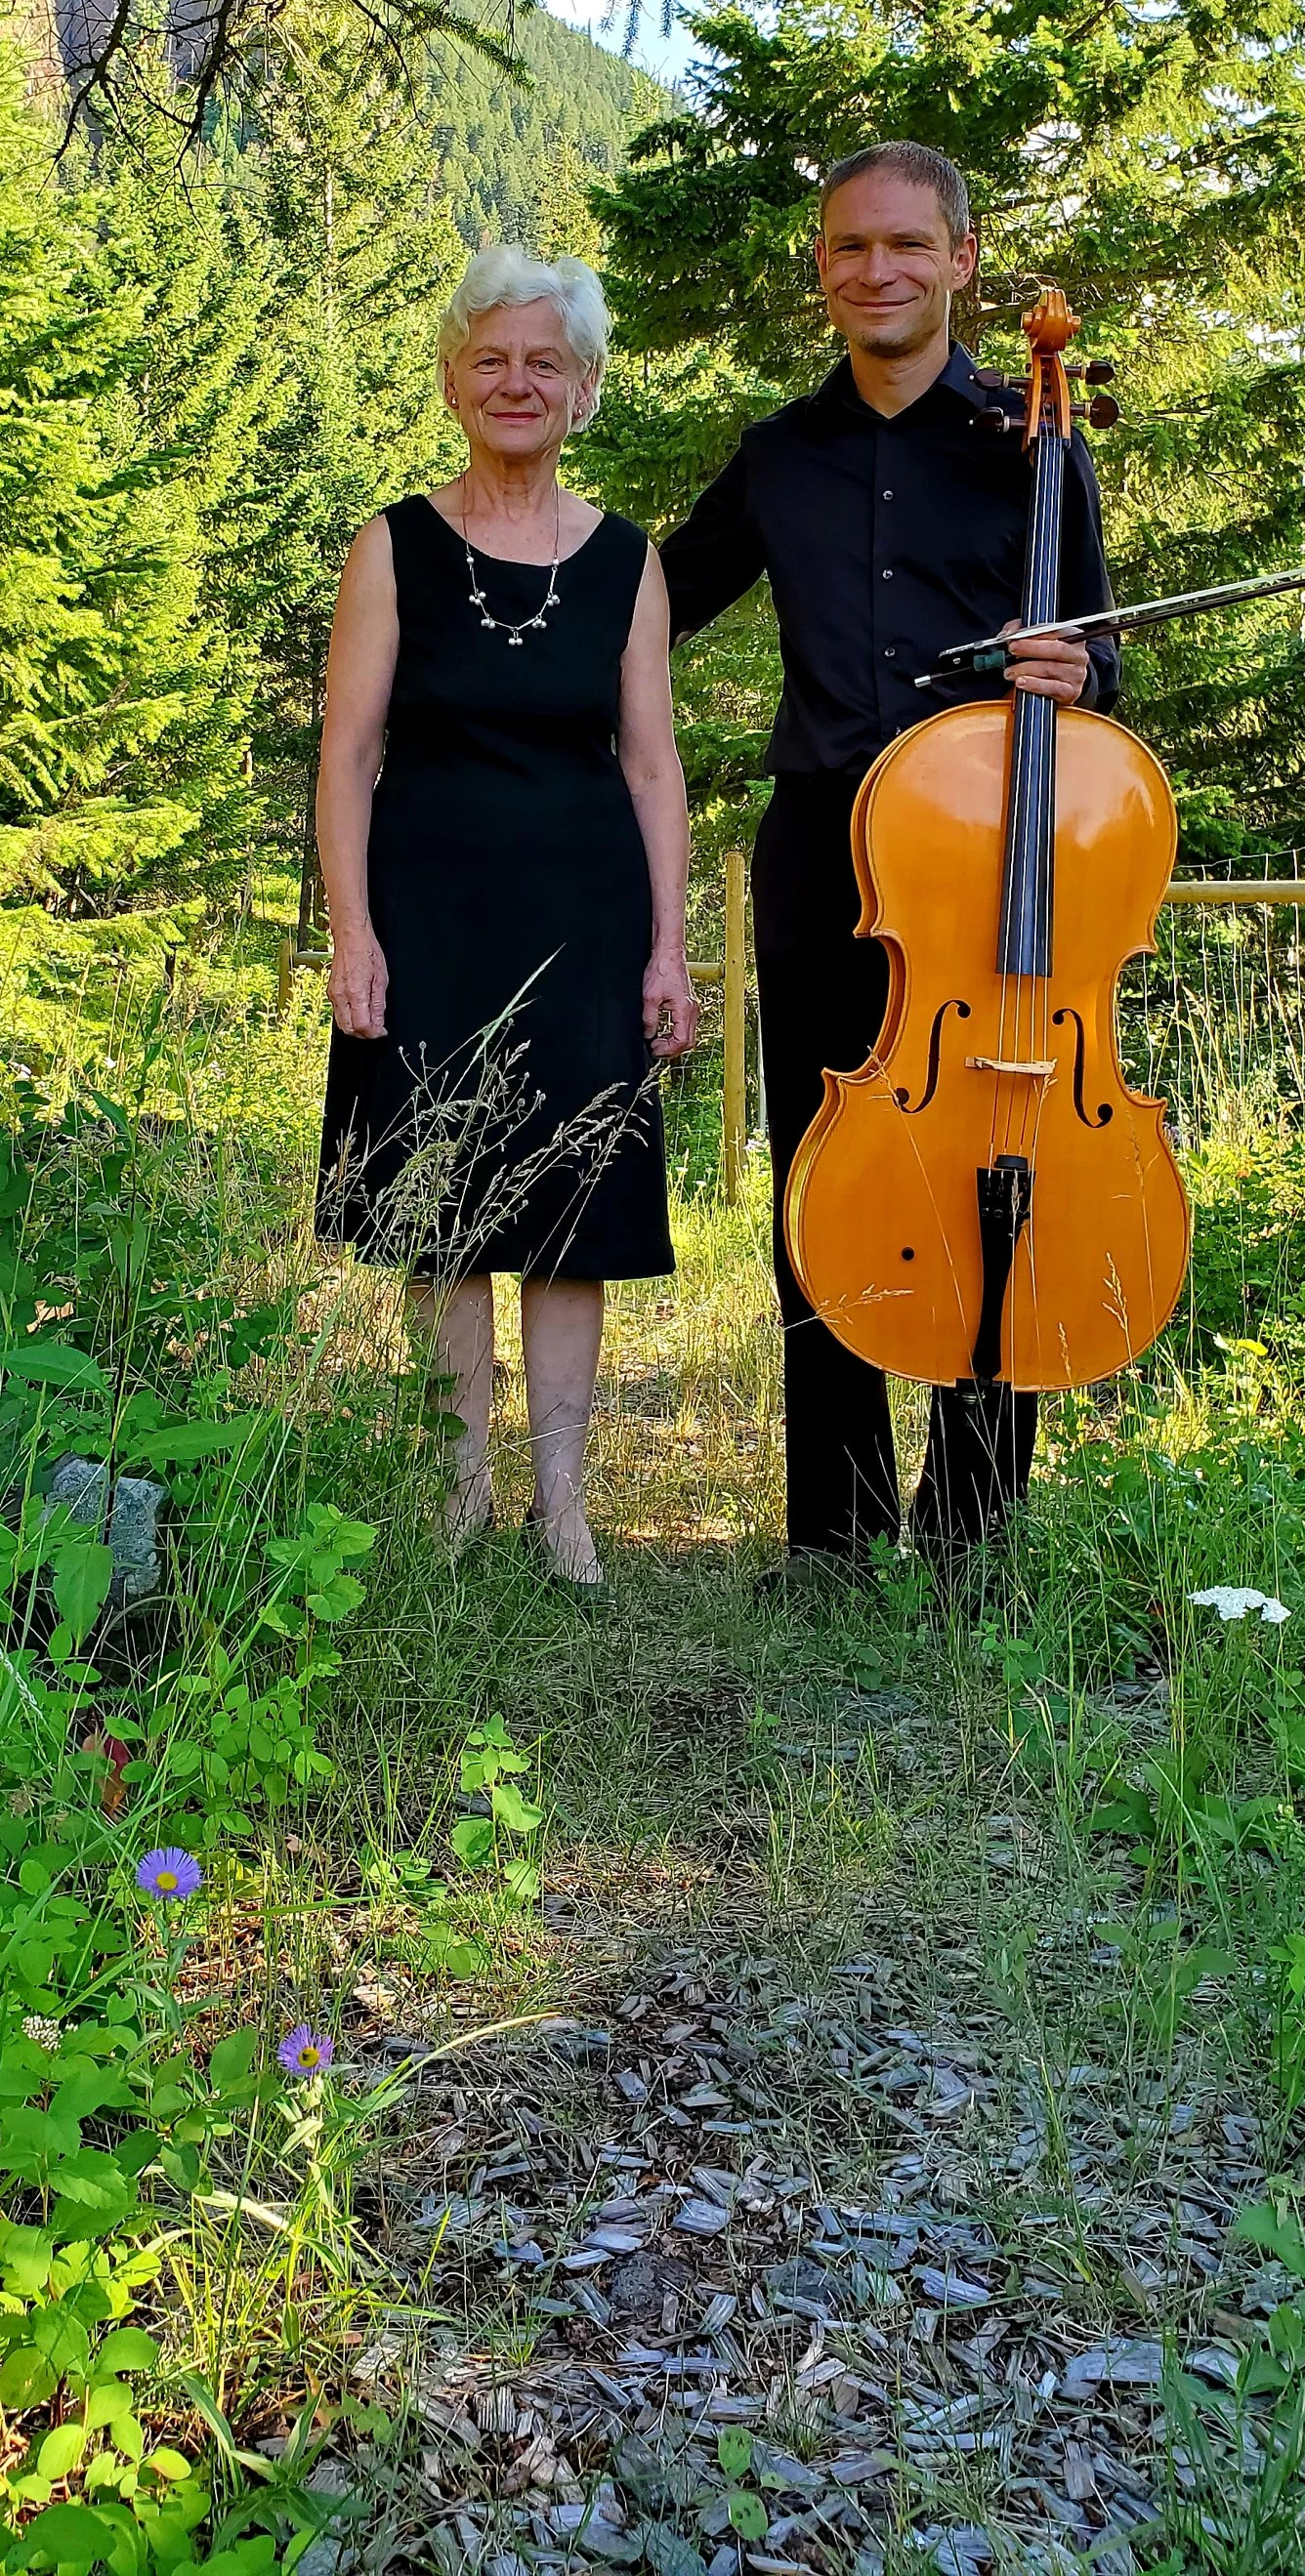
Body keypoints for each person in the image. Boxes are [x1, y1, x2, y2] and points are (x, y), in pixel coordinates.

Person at [660, 144, 1116, 1572]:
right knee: (826, 1170)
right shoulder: (779, 456)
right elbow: (658, 600)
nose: (878, 272)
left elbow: (1099, 654)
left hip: (990, 852)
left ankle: (978, 1519)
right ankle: (835, 1530)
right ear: (822, 271)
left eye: (908, 247)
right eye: (851, 249)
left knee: (1003, 1166)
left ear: (962, 259)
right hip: (819, 853)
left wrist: (1077, 673)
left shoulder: (1037, 443)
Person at [316, 247, 699, 1587]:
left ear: (584, 390)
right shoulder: (395, 545)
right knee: (440, 1213)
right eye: (491, 359)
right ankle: (460, 1495)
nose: (517, 382)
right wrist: (353, 932)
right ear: (450, 381)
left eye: (545, 362)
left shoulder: (629, 563)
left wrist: (668, 947)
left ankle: (565, 1508)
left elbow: (654, 767)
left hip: (587, 922)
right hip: (429, 917)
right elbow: (347, 756)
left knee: (572, 1213)